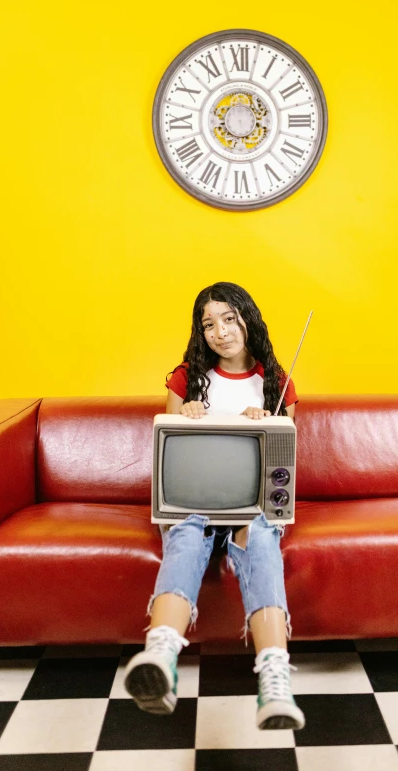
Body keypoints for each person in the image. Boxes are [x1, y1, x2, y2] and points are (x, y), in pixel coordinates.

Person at [124, 282, 305, 731]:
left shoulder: (277, 383)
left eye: (229, 318)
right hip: (193, 504)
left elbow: (281, 470)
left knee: (261, 533)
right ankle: (160, 656)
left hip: (252, 508)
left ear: (248, 317)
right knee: (185, 532)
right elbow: (171, 458)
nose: (220, 332)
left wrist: (271, 420)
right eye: (208, 324)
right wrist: (185, 413)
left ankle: (275, 679)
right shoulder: (186, 378)